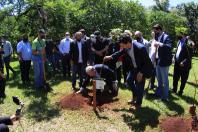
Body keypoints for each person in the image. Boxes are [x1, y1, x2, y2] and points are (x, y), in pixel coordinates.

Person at [104, 34, 153, 110]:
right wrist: (111, 57)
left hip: (142, 68)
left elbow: (148, 63)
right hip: (133, 68)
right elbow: (120, 52)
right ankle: (136, 96)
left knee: (139, 84)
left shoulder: (140, 48)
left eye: (123, 45)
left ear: (128, 43)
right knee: (129, 80)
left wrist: (141, 73)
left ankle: (138, 104)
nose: (122, 47)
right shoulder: (126, 46)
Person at [153, 24, 172, 101]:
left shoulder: (166, 37)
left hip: (164, 61)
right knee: (159, 79)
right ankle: (159, 93)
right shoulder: (157, 37)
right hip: (158, 61)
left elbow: (169, 47)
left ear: (159, 30)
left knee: (165, 80)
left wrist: (159, 44)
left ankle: (165, 97)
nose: (154, 32)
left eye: (155, 30)